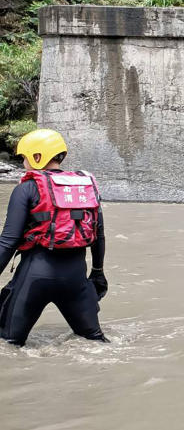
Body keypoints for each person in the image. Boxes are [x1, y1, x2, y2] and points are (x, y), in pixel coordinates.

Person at [0, 129, 108, 347]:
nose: (23, 163)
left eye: (24, 158)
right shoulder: (85, 187)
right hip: (76, 280)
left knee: (8, 344)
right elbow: (99, 234)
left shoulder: (26, 188)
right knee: (96, 343)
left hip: (35, 277)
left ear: (37, 157)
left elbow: (8, 241)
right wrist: (97, 272)